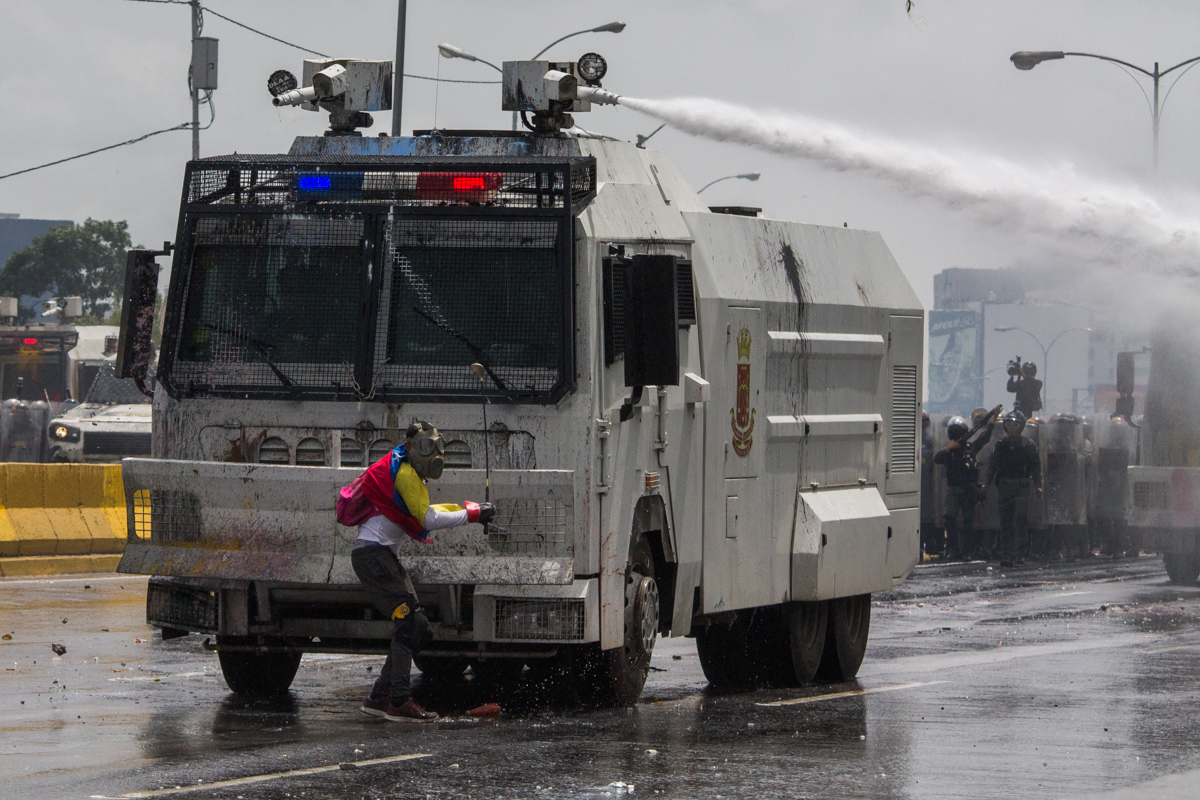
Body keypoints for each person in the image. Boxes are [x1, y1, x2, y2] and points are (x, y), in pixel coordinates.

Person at [351, 420, 495, 722]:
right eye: (427, 448)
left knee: (418, 627)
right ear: (412, 448)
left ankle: (379, 697)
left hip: (381, 556)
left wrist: (469, 510)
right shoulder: (405, 473)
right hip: (373, 556)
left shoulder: (408, 473)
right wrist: (472, 515)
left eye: (437, 447)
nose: (434, 455)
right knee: (409, 623)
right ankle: (399, 701)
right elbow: (428, 519)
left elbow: (427, 510)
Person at [932, 411, 996, 561]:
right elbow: (936, 458)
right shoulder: (949, 451)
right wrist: (949, 448)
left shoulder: (971, 448)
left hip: (968, 489)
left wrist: (992, 423)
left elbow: (984, 438)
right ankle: (951, 549)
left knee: (968, 522)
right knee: (949, 519)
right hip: (953, 489)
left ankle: (966, 550)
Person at [983, 411, 1043, 567]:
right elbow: (992, 465)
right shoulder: (1000, 444)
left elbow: (1036, 466)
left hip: (1022, 486)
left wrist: (1038, 485)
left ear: (1021, 427)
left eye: (1015, 424)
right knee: (1006, 522)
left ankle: (1020, 553)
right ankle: (1007, 554)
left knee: (1020, 519)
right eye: (1008, 424)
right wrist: (986, 483)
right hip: (1004, 486)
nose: (1012, 428)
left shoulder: (1028, 445)